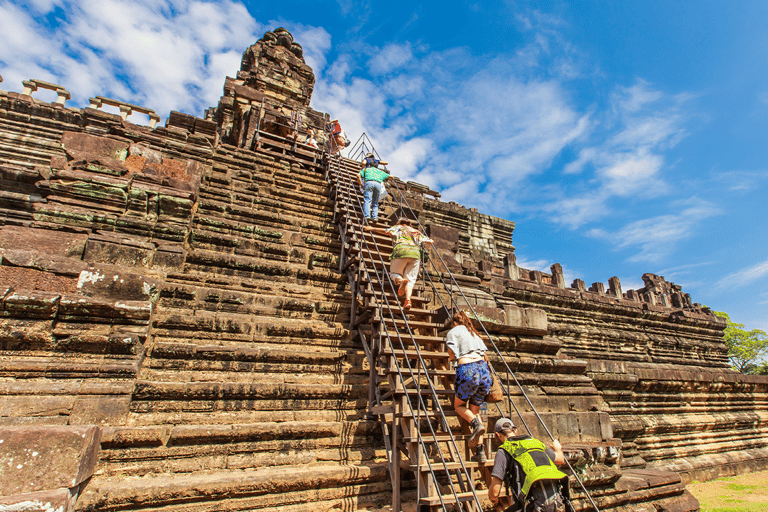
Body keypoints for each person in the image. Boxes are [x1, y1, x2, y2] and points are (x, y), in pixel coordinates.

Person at [488, 418, 569, 512]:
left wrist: (492, 498)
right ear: (515, 431)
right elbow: (560, 459)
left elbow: (495, 492)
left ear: (498, 435)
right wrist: (558, 448)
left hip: (530, 505)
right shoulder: (535, 442)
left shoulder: (503, 451)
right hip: (556, 502)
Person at [445, 310, 492, 463]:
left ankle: (476, 424)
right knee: (475, 411)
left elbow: (452, 354)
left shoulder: (453, 331)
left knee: (458, 406)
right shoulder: (474, 333)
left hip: (468, 370)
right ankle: (480, 452)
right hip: (484, 372)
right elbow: (485, 356)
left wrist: (453, 359)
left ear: (455, 322)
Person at [363, 217, 431, 310]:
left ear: (399, 222)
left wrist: (371, 228)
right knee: (411, 279)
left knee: (394, 273)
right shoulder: (415, 231)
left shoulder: (398, 227)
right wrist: (429, 242)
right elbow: (429, 240)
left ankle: (400, 280)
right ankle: (408, 300)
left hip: (401, 251)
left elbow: (385, 231)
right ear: (409, 224)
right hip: (415, 254)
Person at [356, 155, 390, 222]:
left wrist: (361, 183)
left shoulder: (366, 163)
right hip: (378, 183)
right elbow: (387, 164)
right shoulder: (378, 166)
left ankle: (367, 216)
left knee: (367, 200)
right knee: (375, 203)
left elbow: (362, 164)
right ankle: (375, 217)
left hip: (368, 180)